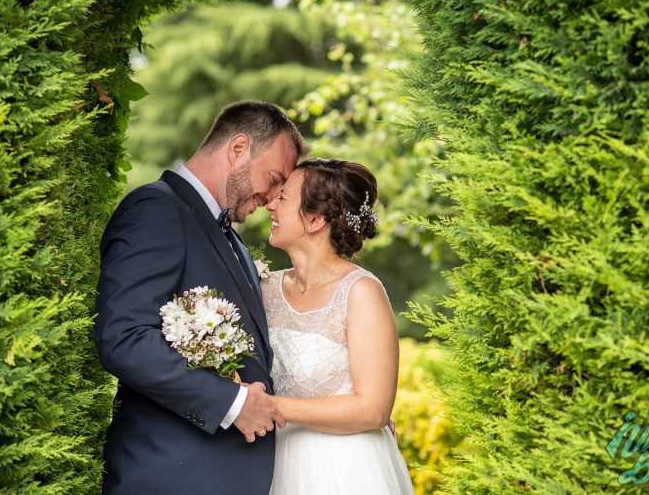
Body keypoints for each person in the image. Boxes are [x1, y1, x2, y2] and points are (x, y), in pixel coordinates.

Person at [94, 100, 308, 494]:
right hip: (170, 478)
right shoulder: (155, 209)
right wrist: (232, 403)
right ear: (238, 148)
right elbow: (123, 337)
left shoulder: (234, 242)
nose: (275, 198)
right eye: (275, 178)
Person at [262, 158, 414, 494]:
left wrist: (271, 407)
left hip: (344, 468)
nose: (270, 204)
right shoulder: (264, 287)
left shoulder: (361, 292)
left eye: (283, 198)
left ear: (314, 219)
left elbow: (373, 409)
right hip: (271, 463)